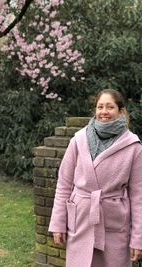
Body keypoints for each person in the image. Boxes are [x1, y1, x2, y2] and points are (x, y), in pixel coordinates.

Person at [48, 89, 142, 267]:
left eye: (110, 107)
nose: (104, 112)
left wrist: (138, 239)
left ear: (120, 111)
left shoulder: (133, 146)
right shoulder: (79, 139)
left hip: (114, 223)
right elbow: (64, 183)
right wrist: (58, 223)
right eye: (100, 107)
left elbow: (139, 196)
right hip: (81, 219)